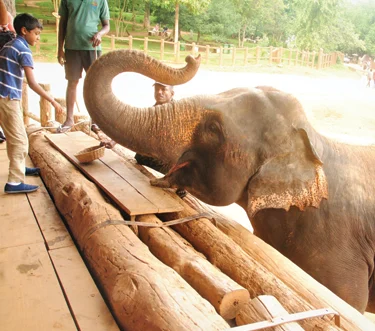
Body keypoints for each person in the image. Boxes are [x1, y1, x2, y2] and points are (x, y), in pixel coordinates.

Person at [0, 13, 63, 193]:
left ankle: (19, 169)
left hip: (3, 96)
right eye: (36, 33)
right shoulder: (23, 50)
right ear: (24, 31)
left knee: (13, 137)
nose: (38, 37)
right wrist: (52, 101)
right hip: (8, 98)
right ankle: (14, 182)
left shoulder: (9, 45)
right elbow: (33, 83)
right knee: (20, 140)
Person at [57, 0, 110, 133]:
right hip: (71, 47)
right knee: (72, 82)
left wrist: (100, 34)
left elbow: (106, 26)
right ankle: (69, 120)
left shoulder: (100, 1)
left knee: (94, 84)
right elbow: (62, 24)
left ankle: (96, 121)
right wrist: (60, 48)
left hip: (92, 48)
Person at [134, 82, 187, 198]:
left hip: (171, 155)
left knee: (179, 169)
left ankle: (180, 182)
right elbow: (134, 130)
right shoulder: (152, 111)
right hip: (154, 154)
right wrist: (113, 141)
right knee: (139, 156)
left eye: (163, 89)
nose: (159, 92)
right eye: (157, 89)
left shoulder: (180, 112)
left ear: (172, 93)